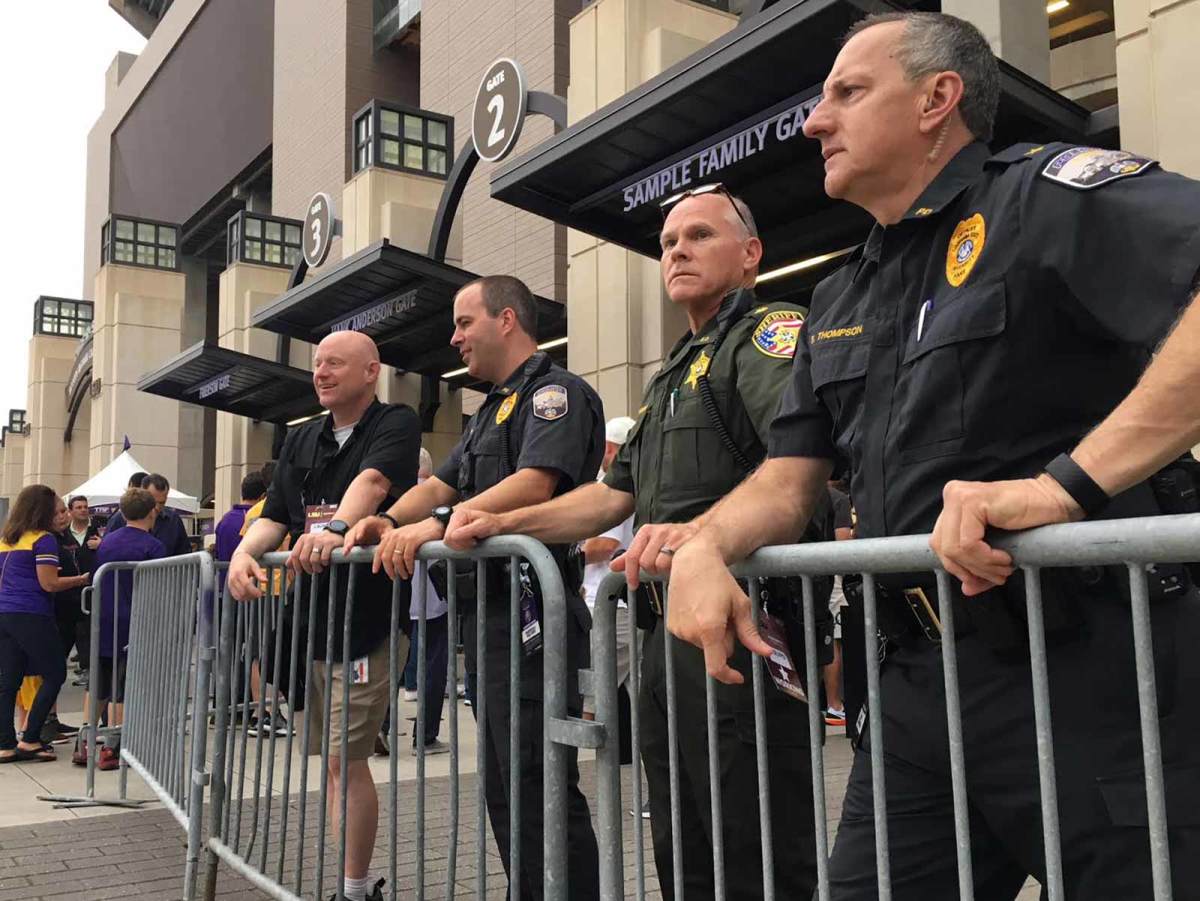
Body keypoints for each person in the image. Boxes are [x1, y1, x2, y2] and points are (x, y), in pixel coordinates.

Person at [662, 11, 1200, 899]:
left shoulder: (1042, 199)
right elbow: (789, 476)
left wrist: (1063, 488)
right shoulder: (840, 290)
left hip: (1092, 674)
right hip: (915, 687)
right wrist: (706, 544)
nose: (812, 121)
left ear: (936, 99)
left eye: (847, 92)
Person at [446, 191, 827, 900]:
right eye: (668, 240)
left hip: (739, 629)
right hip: (661, 634)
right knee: (680, 840)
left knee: (752, 844)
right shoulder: (670, 374)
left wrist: (707, 535)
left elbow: (797, 465)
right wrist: (502, 525)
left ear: (750, 256)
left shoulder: (769, 334)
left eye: (699, 235)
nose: (676, 249)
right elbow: (609, 496)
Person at [343, 274, 603, 901]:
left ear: (506, 319)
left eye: (465, 323)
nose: (455, 338)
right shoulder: (491, 407)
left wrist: (431, 524)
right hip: (491, 621)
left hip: (535, 616)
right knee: (506, 784)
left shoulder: (553, 394)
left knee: (537, 782)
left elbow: (535, 483)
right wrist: (390, 518)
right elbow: (442, 484)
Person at [227, 329, 420, 901]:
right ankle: (350, 885)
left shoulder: (396, 422)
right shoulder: (301, 437)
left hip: (365, 624)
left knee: (344, 758)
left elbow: (374, 481)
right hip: (309, 623)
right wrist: (243, 551)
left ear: (370, 371)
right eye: (317, 364)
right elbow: (278, 516)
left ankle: (356, 891)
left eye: (336, 363)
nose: (321, 372)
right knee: (334, 765)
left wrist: (337, 528)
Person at [0, 485, 89, 763]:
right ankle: (30, 738)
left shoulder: (7, 539)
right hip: (31, 612)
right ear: (43, 511)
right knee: (55, 673)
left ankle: (5, 744)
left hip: (5, 613)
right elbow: (48, 583)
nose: (61, 514)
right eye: (58, 509)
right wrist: (81, 580)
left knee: (9, 680)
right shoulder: (44, 540)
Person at [94, 487, 166, 771]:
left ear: (122, 512)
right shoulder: (153, 546)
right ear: (153, 511)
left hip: (104, 618)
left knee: (100, 681)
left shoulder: (107, 542)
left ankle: (87, 739)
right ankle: (115, 744)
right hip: (135, 620)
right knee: (123, 686)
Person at [579, 417, 636, 723]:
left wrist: (568, 561)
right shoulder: (628, 481)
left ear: (610, 448)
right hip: (614, 601)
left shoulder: (614, 484)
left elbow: (603, 544)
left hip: (611, 605)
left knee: (596, 690)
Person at [396, 448, 450, 756]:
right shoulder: (436, 501)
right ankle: (425, 736)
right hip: (432, 596)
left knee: (390, 662)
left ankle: (383, 725)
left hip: (396, 593)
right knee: (433, 663)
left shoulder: (394, 501)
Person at [822, 481, 853, 727]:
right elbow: (843, 542)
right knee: (833, 640)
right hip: (831, 578)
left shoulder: (794, 496)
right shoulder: (838, 499)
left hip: (800, 578)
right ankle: (834, 705)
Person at [63, 495, 101, 687]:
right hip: (69, 591)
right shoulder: (63, 534)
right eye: (78, 507)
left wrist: (101, 544)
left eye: (85, 507)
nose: (83, 510)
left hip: (93, 589)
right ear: (71, 510)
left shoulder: (96, 532)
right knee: (73, 632)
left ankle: (90, 668)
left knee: (90, 630)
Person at [106, 473, 191, 557]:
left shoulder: (174, 520)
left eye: (162, 503)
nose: (157, 507)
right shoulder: (120, 518)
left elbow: (184, 554)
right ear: (143, 493)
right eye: (153, 501)